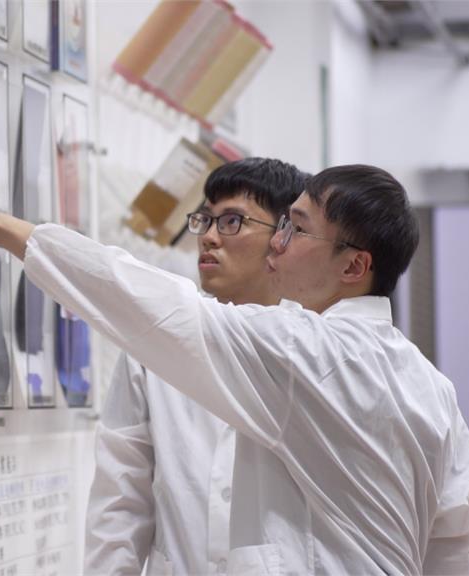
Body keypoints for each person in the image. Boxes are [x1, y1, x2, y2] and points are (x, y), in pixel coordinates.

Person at [0, 164, 469, 575]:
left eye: (297, 228)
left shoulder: (302, 350)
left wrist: (8, 230)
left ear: (354, 266)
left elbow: (148, 300)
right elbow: (459, 533)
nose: (279, 244)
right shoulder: (430, 384)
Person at [84, 158, 308, 576]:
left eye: (232, 222)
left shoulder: (314, 350)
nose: (208, 237)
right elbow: (120, 496)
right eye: (205, 220)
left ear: (283, 235)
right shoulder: (156, 339)